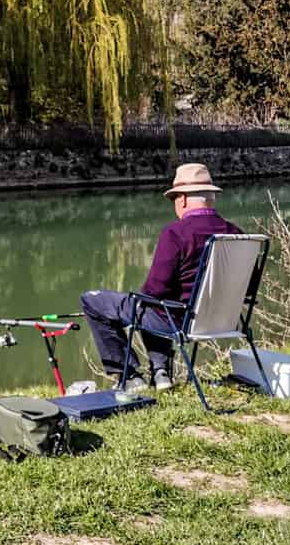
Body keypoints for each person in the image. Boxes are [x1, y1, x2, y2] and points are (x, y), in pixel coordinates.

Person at [80, 163, 241, 392]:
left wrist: (139, 297)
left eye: (174, 198)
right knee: (154, 303)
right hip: (224, 319)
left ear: (182, 199)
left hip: (181, 320)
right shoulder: (236, 233)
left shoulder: (175, 233)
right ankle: (161, 372)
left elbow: (155, 289)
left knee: (96, 300)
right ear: (211, 198)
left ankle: (131, 376)